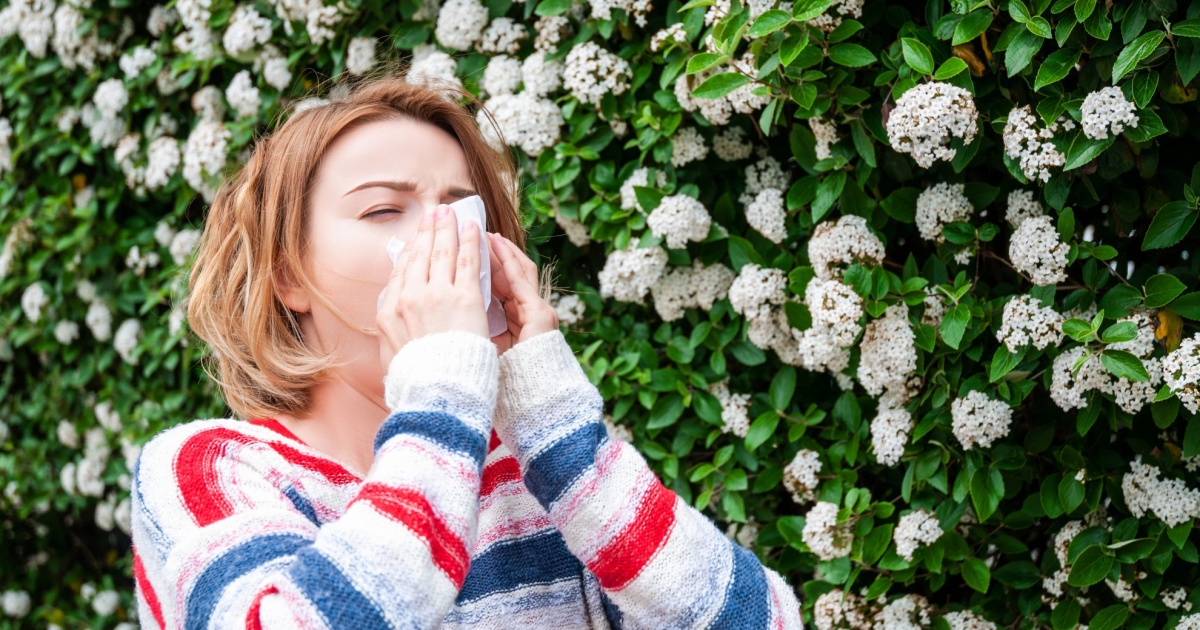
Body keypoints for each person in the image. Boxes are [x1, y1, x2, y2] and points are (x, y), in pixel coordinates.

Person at [129, 68, 803, 628]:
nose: (442, 239)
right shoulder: (206, 471)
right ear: (288, 274)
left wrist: (555, 428)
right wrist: (438, 394)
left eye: (461, 208)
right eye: (384, 210)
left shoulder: (543, 481)